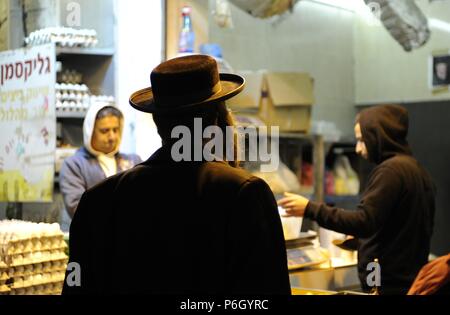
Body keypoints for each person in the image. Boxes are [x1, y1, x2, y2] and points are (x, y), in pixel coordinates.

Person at [62, 55, 290, 294]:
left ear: (157, 120)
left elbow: (77, 289)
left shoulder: (98, 200)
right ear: (217, 119)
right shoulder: (244, 194)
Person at [278, 105, 436, 295]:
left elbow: (364, 221)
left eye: (362, 140)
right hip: (408, 281)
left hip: (385, 283)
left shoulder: (390, 171)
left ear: (379, 136)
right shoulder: (417, 170)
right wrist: (363, 240)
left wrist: (310, 209)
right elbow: (395, 228)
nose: (358, 149)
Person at [59, 104, 142, 218]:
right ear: (90, 131)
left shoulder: (133, 161)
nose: (112, 137)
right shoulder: (75, 165)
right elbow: (77, 210)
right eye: (104, 131)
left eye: (116, 130)